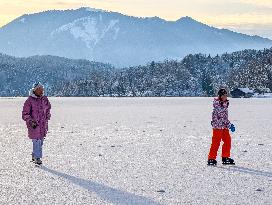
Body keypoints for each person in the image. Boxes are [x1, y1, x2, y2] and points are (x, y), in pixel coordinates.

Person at [22, 82, 51, 165]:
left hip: (43, 125)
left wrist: (48, 115)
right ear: (35, 90)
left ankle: (34, 155)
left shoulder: (44, 99)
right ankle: (37, 158)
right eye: (39, 89)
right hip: (34, 125)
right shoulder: (29, 101)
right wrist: (31, 121)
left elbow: (48, 108)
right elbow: (25, 114)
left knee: (40, 141)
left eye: (42, 89)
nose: (41, 91)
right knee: (36, 141)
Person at [207, 88, 235, 166]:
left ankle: (225, 157)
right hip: (218, 126)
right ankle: (211, 158)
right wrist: (230, 125)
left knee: (227, 140)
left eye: (226, 95)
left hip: (224, 126)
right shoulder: (219, 105)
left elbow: (225, 118)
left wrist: (229, 125)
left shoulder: (224, 104)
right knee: (216, 142)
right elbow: (222, 118)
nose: (225, 97)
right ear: (220, 96)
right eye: (224, 95)